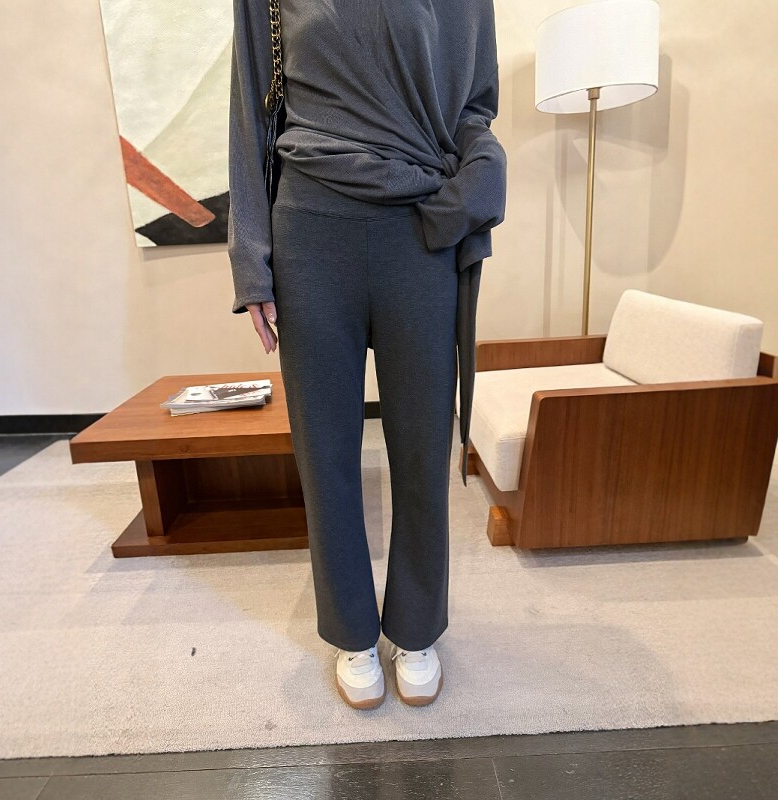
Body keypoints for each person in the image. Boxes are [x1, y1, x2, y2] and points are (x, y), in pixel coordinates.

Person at [227, 0, 507, 709]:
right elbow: (252, 107)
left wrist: (482, 167)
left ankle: (416, 628)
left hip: (421, 227)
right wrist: (251, 262)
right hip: (312, 227)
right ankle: (353, 633)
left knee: (422, 443)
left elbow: (475, 105)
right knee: (325, 450)